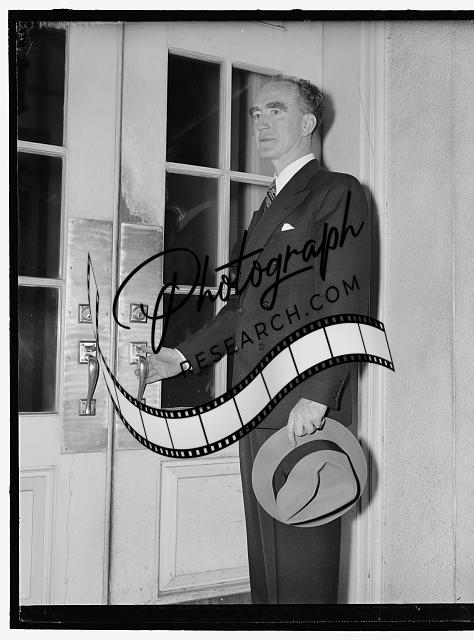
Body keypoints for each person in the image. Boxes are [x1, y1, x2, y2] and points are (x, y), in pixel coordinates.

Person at [141, 75, 370, 603]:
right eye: (256, 113)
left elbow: (346, 301)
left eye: (276, 109)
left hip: (302, 411)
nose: (261, 121)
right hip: (254, 408)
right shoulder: (266, 207)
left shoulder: (336, 192)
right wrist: (182, 356)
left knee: (302, 579)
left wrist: (318, 395)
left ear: (308, 122)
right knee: (267, 574)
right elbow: (244, 308)